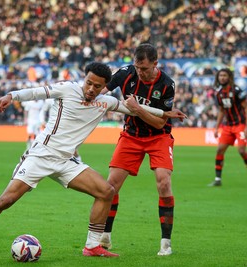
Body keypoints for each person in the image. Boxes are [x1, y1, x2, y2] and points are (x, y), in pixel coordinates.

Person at [0, 62, 186, 257]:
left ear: (104, 86)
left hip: (67, 161)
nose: (91, 89)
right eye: (88, 83)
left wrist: (165, 113)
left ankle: (92, 246)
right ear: (84, 79)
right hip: (41, 155)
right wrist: (11, 95)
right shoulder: (67, 89)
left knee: (106, 191)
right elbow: (38, 92)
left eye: (97, 85)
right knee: (6, 200)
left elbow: (133, 109)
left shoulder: (106, 101)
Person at [100, 43, 180, 256]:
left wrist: (136, 109)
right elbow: (101, 90)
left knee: (164, 182)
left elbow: (160, 123)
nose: (140, 72)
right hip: (131, 136)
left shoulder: (167, 84)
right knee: (110, 186)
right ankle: (105, 236)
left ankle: (165, 243)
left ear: (155, 64)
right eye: (137, 67)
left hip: (158, 137)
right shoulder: (126, 73)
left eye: (144, 68)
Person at [208, 68, 247, 186]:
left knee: (241, 150)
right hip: (227, 126)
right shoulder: (219, 93)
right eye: (220, 76)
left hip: (240, 125)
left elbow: (245, 108)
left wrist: (246, 127)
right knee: (220, 150)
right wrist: (216, 128)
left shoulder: (237, 90)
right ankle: (217, 180)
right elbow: (221, 111)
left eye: (225, 75)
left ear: (229, 77)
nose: (222, 78)